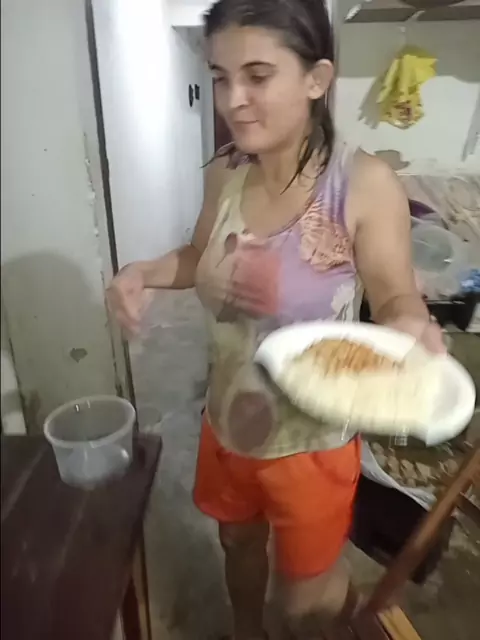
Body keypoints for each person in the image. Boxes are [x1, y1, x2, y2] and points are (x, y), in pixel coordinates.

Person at [108, 0, 445, 637]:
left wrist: (409, 323)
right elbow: (197, 254)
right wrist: (141, 272)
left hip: (310, 441)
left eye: (258, 76)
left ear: (316, 79)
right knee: (237, 545)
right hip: (227, 423)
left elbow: (395, 294)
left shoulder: (361, 184)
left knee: (305, 602)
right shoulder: (227, 172)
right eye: (220, 77)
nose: (233, 100)